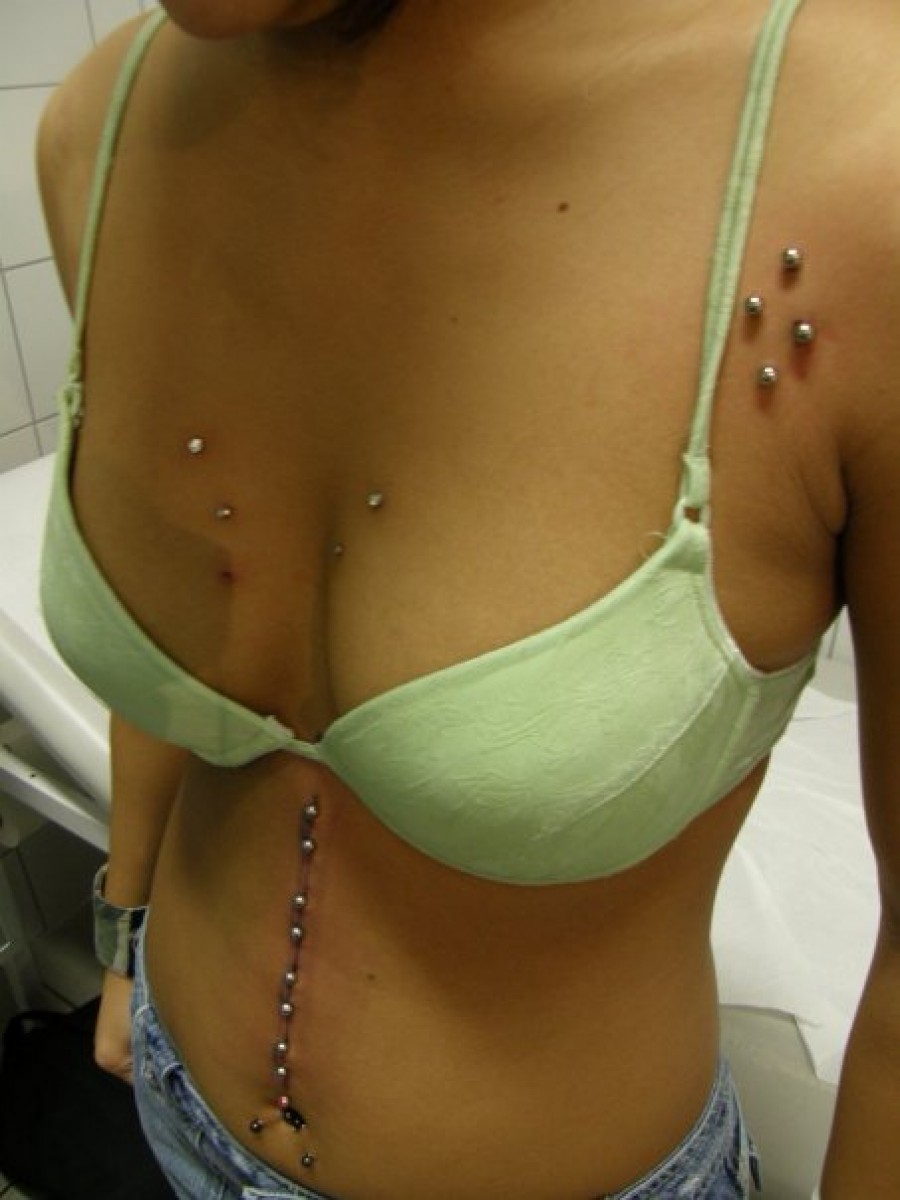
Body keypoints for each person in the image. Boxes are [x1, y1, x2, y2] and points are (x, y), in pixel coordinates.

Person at [36, 0, 899, 1196]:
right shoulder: (106, 125)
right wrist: (124, 930)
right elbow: (176, 634)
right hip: (180, 1114)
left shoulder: (858, 168)